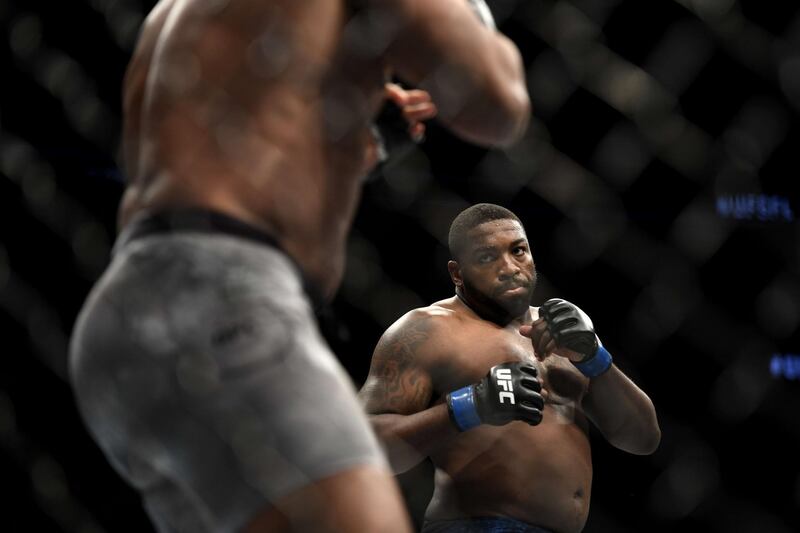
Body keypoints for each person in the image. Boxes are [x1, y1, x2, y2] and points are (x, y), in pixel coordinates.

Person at [68, 0, 531, 532]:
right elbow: (496, 103)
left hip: (123, 313)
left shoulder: (175, 14)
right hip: (225, 301)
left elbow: (232, 144)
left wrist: (360, 126)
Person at [358, 203, 661, 533]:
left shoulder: (563, 326)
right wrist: (471, 405)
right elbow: (363, 447)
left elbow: (642, 439)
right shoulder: (425, 331)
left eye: (518, 251)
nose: (509, 267)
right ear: (457, 273)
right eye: (487, 257)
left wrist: (595, 358)